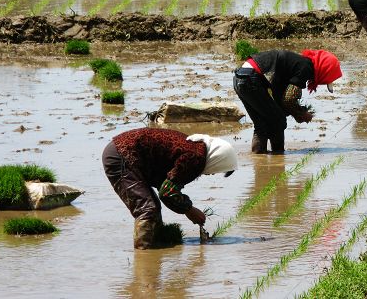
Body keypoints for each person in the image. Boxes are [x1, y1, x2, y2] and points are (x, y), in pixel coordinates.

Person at [102, 128, 237, 249]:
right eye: (218, 170)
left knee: (152, 206)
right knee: (147, 210)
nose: (211, 174)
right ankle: (145, 261)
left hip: (124, 153)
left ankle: (154, 249)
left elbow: (166, 185)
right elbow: (167, 192)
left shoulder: (197, 149)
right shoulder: (195, 158)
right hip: (121, 157)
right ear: (218, 159)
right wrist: (190, 210)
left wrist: (185, 206)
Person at [233, 49, 342, 154]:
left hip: (240, 78)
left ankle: (260, 163)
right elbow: (289, 98)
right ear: (325, 71)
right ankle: (278, 158)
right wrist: (301, 114)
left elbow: (277, 95)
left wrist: (289, 111)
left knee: (262, 124)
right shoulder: (306, 67)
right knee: (279, 121)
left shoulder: (294, 64)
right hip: (252, 79)